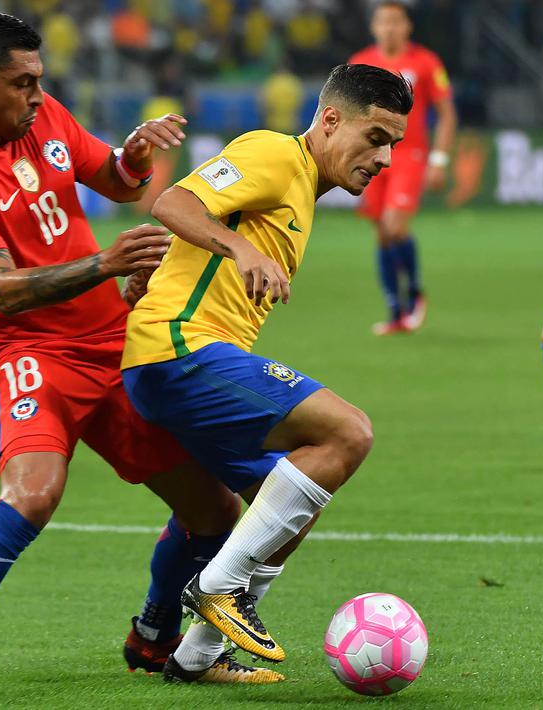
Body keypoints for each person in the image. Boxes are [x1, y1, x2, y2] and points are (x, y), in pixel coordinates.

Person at [0, 12, 253, 709]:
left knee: (213, 508)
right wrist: (105, 262)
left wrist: (137, 156)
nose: (36, 94)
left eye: (38, 81)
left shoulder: (43, 117)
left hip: (114, 346)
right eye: (22, 83)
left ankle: (153, 634)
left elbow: (113, 180)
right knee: (32, 494)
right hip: (29, 354)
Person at [121, 63, 412, 680]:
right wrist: (241, 248)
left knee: (286, 503)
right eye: (377, 137)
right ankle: (219, 587)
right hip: (181, 349)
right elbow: (174, 201)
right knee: (347, 433)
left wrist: (166, 269)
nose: (384, 158)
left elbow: (206, 225)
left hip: (188, 354)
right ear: (330, 120)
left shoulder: (303, 190)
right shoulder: (275, 154)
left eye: (395, 144)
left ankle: (194, 654)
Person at [349, 0, 456, 335]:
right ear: (374, 27)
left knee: (395, 227)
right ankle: (396, 311)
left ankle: (415, 293)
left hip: (408, 155)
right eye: (383, 22)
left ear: (407, 26)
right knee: (382, 234)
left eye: (396, 21)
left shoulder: (424, 62)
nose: (390, 28)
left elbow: (447, 113)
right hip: (369, 156)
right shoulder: (359, 62)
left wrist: (438, 160)